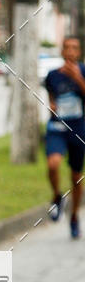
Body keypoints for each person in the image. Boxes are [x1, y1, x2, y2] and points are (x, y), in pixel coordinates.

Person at [44, 35, 85, 238]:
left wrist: (78, 78)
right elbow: (51, 100)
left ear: (79, 52)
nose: (70, 51)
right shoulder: (52, 75)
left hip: (77, 129)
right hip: (56, 128)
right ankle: (57, 196)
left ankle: (75, 216)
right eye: (66, 47)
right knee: (52, 165)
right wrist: (51, 106)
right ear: (61, 51)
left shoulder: (84, 72)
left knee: (76, 178)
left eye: (74, 48)